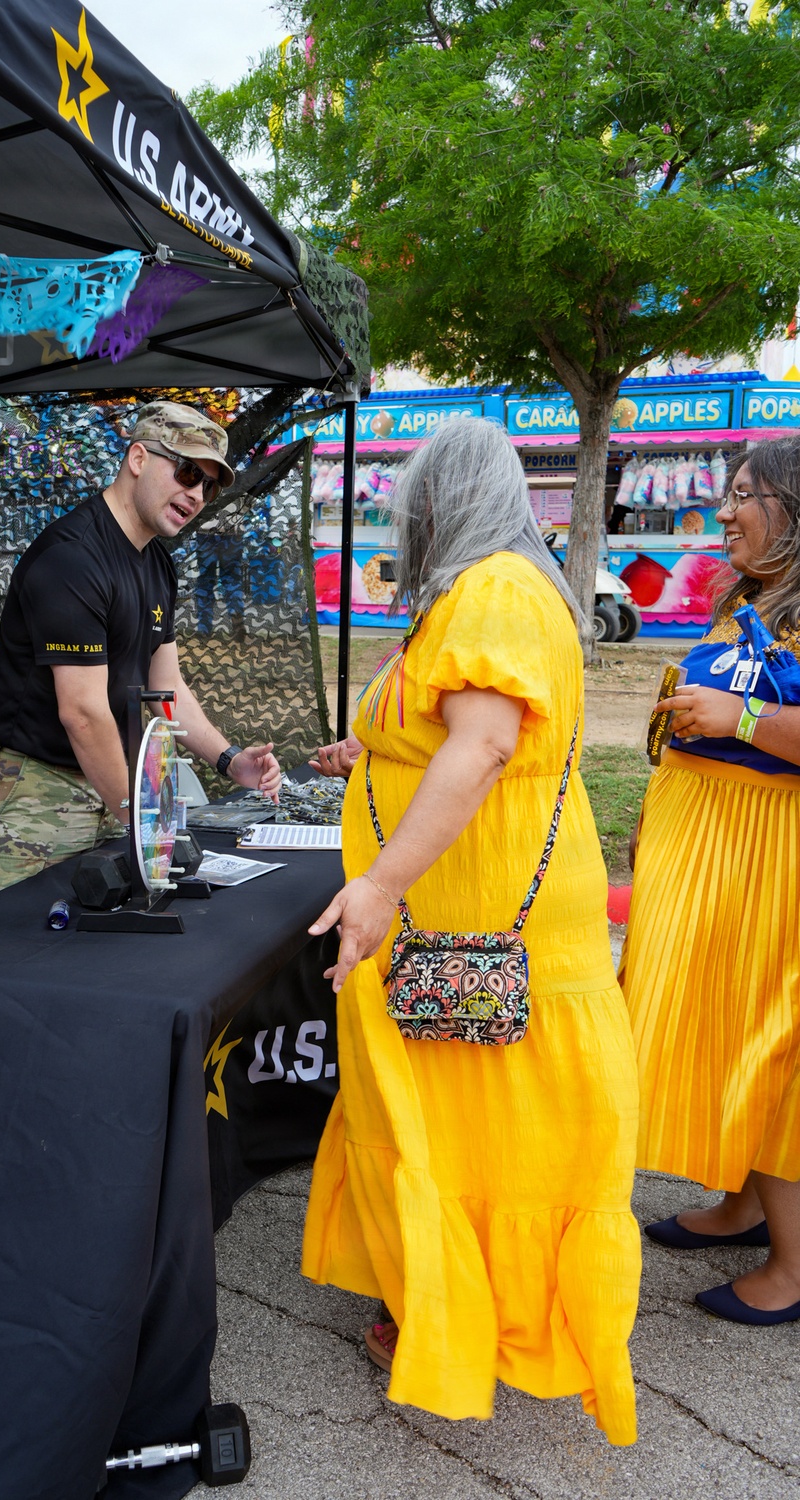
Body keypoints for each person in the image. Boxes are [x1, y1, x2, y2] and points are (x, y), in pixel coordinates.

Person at [302, 419, 641, 1446]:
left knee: (483, 1117)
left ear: (439, 500)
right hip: (461, 905)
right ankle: (449, 1294)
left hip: (469, 909)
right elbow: (457, 724)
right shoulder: (485, 589)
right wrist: (369, 746)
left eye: (412, 502)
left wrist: (379, 886)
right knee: (466, 1116)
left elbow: (489, 743)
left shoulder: (491, 589)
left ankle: (470, 1310)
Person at [622, 436, 800, 1326]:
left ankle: (795, 1265)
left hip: (773, 859)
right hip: (708, 849)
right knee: (724, 1031)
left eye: (744, 494)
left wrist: (745, 715)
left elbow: (752, 719)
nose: (724, 510)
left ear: (794, 510)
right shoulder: (752, 598)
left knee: (771, 1047)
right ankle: (740, 1202)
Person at [0, 401, 281, 895]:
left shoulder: (157, 562)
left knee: (109, 946)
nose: (196, 493)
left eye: (208, 485)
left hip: (115, 779)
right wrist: (143, 817)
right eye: (187, 471)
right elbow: (83, 714)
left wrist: (230, 760)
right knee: (22, 942)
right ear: (137, 459)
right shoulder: (74, 558)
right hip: (36, 785)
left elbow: (166, 686)